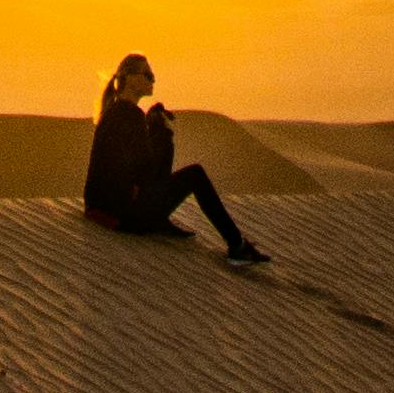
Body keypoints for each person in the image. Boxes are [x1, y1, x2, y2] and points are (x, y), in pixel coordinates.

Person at [83, 51, 266, 263]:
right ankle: (237, 246)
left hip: (104, 209)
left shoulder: (115, 112)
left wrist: (155, 130)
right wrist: (162, 132)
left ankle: (163, 223)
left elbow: (135, 171)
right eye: (147, 75)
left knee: (170, 150)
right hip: (119, 216)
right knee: (196, 174)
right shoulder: (129, 115)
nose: (153, 80)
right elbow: (147, 173)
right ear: (131, 78)